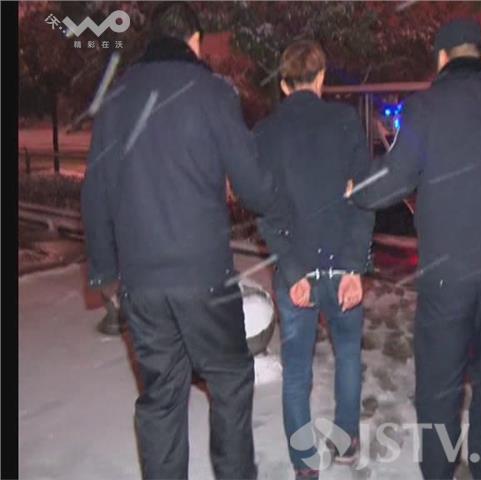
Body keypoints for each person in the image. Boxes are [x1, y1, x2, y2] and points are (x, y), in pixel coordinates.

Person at [81, 3, 306, 479]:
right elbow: (252, 185)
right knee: (229, 380)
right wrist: (280, 199)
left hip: (141, 279)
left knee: (161, 395)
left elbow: (95, 190)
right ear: (195, 40)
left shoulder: (117, 99)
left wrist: (103, 271)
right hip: (203, 275)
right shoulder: (211, 93)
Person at [349, 19, 481, 480]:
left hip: (447, 275)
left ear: (441, 59)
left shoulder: (426, 108)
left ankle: (439, 470)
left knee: (440, 382)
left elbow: (396, 176)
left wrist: (357, 191)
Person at [253, 40, 375, 480]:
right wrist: (353, 266)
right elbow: (365, 197)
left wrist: (292, 270)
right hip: (342, 266)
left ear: (284, 84)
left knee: (296, 372)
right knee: (348, 355)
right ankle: (345, 442)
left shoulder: (266, 134)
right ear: (321, 77)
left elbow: (267, 212)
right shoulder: (346, 123)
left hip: (297, 271)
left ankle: (304, 464)